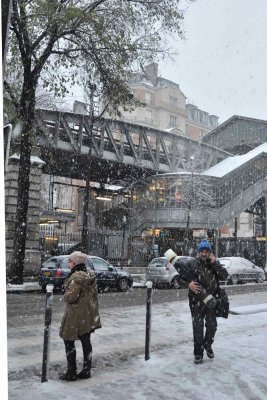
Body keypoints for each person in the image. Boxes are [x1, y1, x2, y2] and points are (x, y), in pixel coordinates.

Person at [165, 239, 228, 365]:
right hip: (196, 301)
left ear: (210, 252)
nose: (204, 254)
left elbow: (225, 276)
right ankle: (198, 354)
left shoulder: (214, 264)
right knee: (198, 329)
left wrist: (215, 263)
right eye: (202, 251)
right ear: (199, 252)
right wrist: (189, 284)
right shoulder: (192, 264)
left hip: (211, 300)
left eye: (206, 251)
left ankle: (207, 345)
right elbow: (177, 279)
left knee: (212, 326)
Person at [59, 251, 101, 381]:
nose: (68, 263)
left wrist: (65, 294)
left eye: (70, 261)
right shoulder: (88, 275)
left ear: (76, 263)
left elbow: (71, 297)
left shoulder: (76, 278)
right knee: (85, 341)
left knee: (68, 339)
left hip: (76, 314)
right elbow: (94, 295)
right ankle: (86, 370)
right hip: (87, 314)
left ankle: (71, 372)